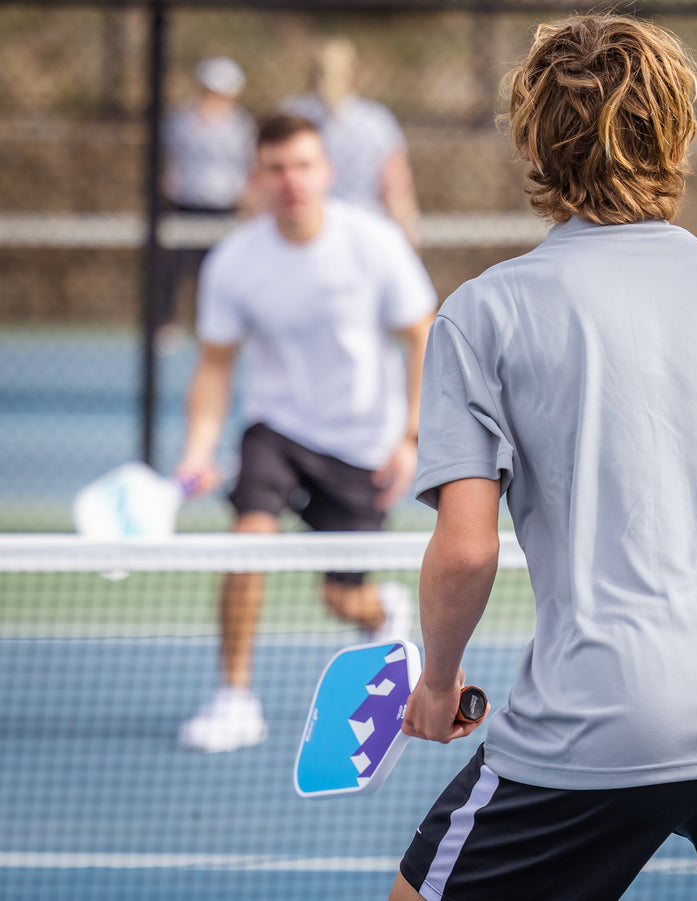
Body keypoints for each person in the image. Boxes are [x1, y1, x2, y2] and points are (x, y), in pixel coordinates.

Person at [390, 15, 697, 901]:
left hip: (594, 719)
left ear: (535, 140)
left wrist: (437, 686)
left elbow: (467, 549)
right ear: (676, 131)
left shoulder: (480, 313)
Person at [176, 113, 437, 754]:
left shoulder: (373, 243)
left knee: (340, 599)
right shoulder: (235, 262)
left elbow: (422, 337)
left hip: (360, 443)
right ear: (256, 178)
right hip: (276, 429)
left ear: (326, 172)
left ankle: (380, 610)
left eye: (302, 165)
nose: (291, 180)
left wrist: (409, 438)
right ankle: (234, 698)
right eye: (276, 168)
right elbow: (214, 367)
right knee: (248, 540)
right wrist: (198, 453)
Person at [283, 38, 421, 249]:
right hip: (364, 234)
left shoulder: (291, 116)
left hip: (306, 233)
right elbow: (397, 195)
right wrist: (410, 243)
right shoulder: (377, 121)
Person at [159, 57, 256, 343]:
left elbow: (246, 166)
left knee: (220, 267)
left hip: (224, 205)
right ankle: (167, 322)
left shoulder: (241, 125)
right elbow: (171, 159)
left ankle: (215, 323)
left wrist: (246, 201)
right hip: (186, 202)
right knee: (175, 266)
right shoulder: (180, 121)